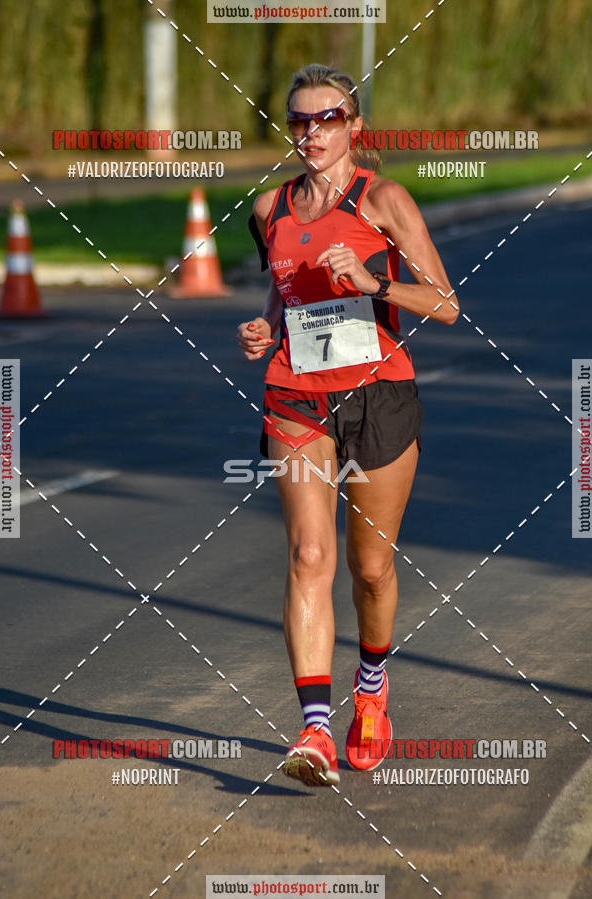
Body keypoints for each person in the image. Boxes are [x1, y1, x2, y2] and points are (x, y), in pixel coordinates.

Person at [237, 63, 459, 787]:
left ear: (353, 125)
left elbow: (447, 304)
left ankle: (370, 687)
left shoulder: (383, 200)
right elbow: (282, 286)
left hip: (379, 398)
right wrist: (264, 326)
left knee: (370, 567)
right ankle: (313, 732)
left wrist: (373, 283)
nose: (311, 133)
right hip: (296, 398)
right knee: (307, 556)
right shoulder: (270, 208)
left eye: (326, 119)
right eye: (299, 121)